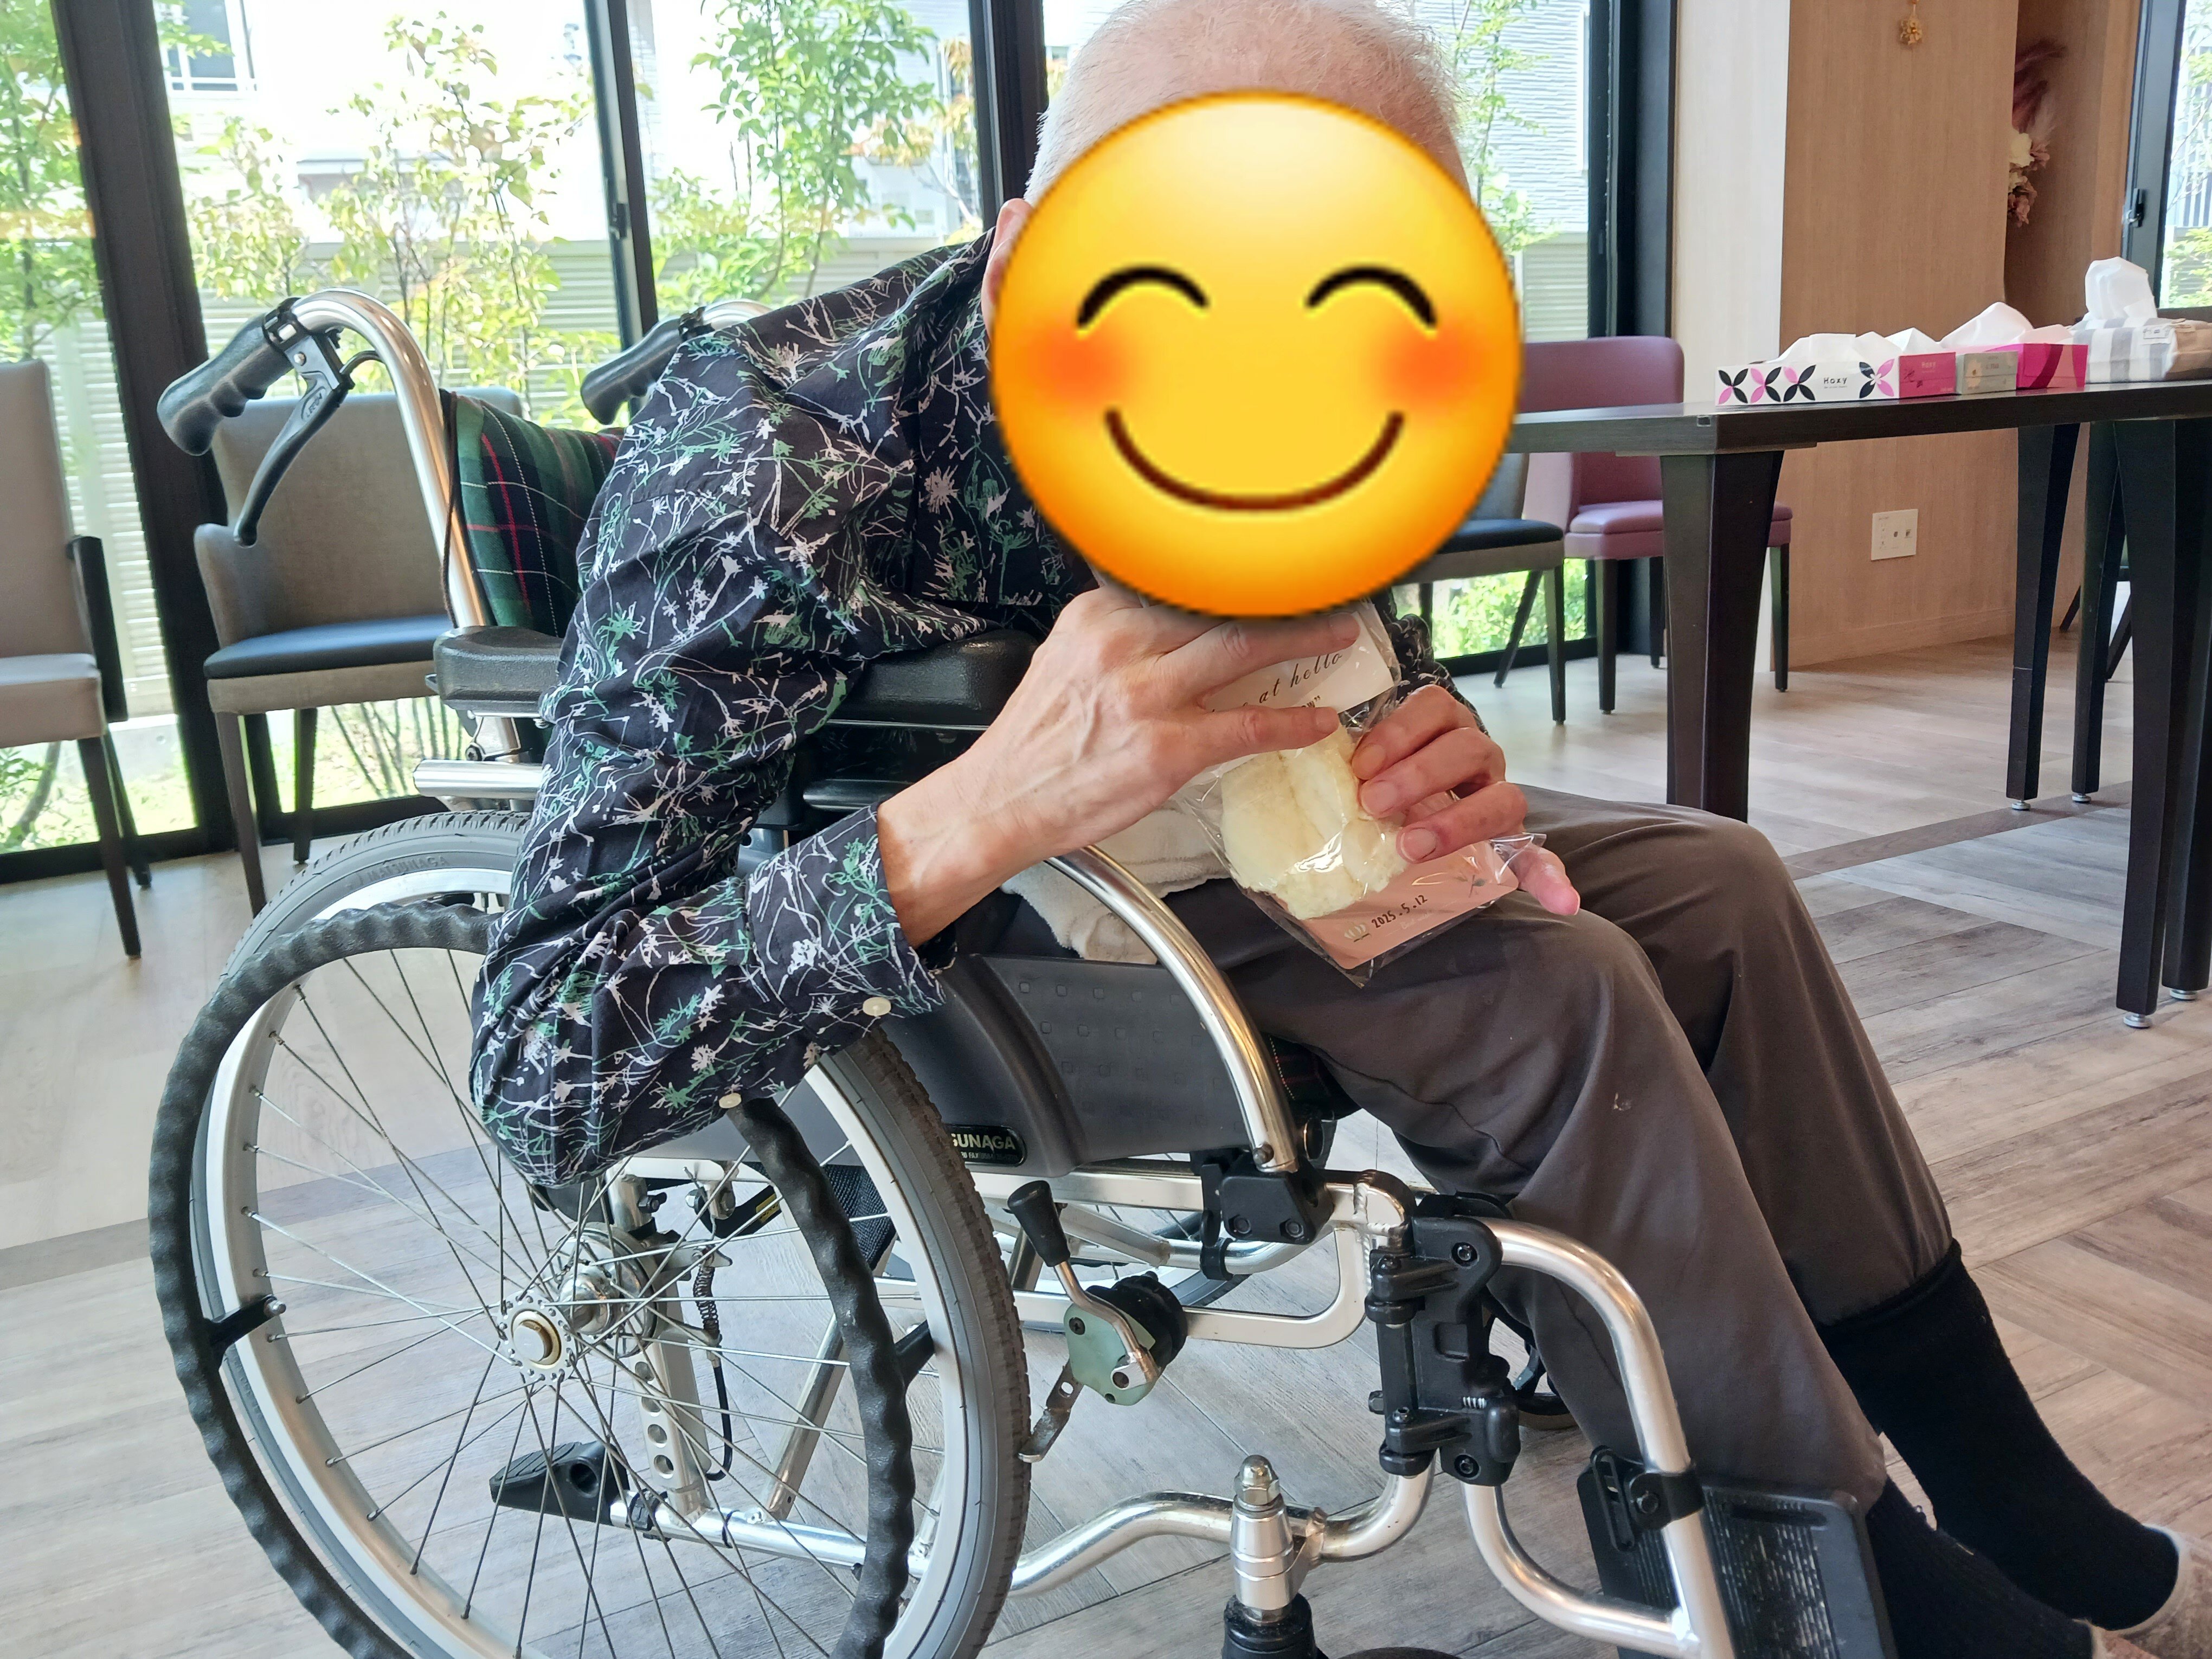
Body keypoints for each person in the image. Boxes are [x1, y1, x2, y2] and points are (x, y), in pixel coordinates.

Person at [469, 1, 2207, 1652]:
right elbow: (544, 1057)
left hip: (1220, 841)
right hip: (962, 926)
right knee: (1559, 998)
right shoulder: (762, 465)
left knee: (1720, 888)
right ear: (1022, 256)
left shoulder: (1319, 392)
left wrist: (1434, 747)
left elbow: (1358, 666)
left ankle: (1988, 1465)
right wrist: (988, 802)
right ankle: (1793, 1576)